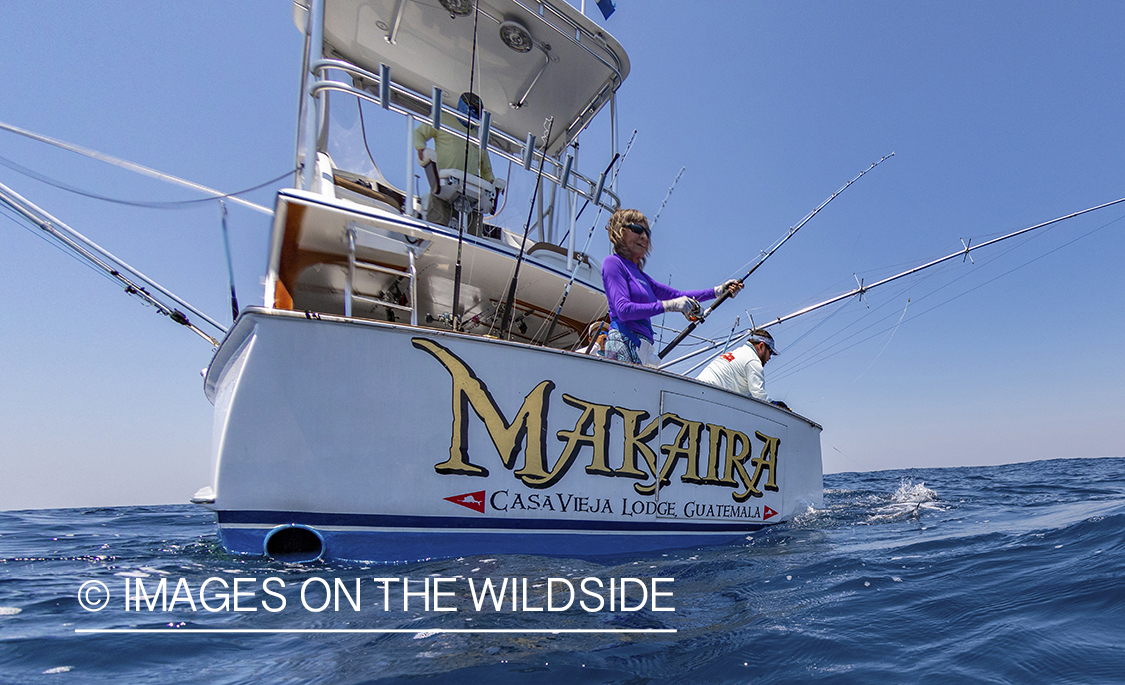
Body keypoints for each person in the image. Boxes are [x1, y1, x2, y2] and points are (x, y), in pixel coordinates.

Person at [602, 208, 742, 367]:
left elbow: (677, 294)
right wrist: (670, 305)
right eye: (637, 229)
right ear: (620, 232)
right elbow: (623, 309)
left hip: (643, 347)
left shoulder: (642, 276)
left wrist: (719, 291)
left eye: (647, 232)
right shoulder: (613, 263)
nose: (644, 236)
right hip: (622, 342)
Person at [412, 92, 502, 230]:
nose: (474, 115)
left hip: (471, 195)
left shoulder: (477, 136)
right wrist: (421, 149)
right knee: (437, 231)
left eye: (477, 113)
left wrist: (491, 182)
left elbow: (486, 169)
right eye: (472, 110)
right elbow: (419, 133)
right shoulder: (443, 118)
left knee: (474, 241)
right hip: (444, 189)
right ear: (463, 106)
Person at [696, 329, 790, 410]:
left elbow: (749, 395)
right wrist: (776, 405)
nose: (769, 357)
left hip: (697, 391)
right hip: (709, 396)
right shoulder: (753, 361)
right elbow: (760, 399)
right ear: (761, 346)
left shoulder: (738, 352)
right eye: (770, 352)